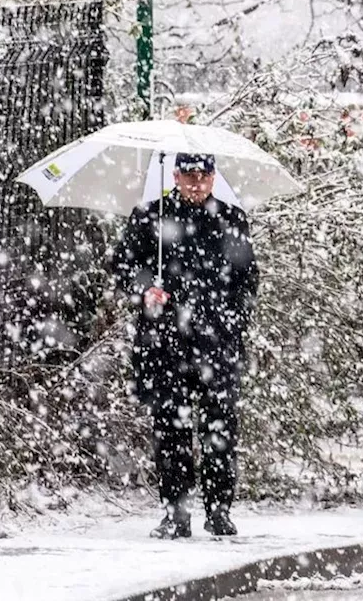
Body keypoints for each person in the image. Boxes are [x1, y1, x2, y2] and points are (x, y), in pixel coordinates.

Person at [112, 153, 259, 539]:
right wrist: (146, 291)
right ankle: (176, 514)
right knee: (171, 431)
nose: (197, 183)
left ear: (213, 177)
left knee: (220, 429)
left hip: (217, 345)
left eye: (204, 175)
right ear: (175, 176)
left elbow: (247, 282)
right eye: (189, 175)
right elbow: (123, 268)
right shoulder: (148, 217)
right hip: (164, 345)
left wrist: (230, 324)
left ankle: (218, 509)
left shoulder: (231, 219)